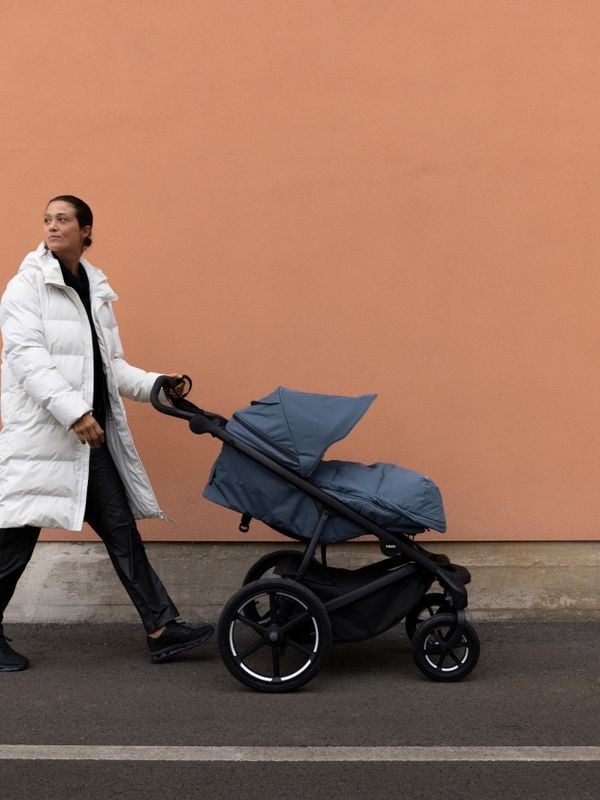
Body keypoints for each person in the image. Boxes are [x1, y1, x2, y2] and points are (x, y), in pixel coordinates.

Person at [0, 195, 213, 671]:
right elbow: (27, 360)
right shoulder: (26, 287)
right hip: (44, 441)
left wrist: (158, 383)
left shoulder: (95, 288)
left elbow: (110, 367)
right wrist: (76, 412)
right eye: (47, 220)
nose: (52, 227)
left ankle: (161, 628)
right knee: (13, 545)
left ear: (86, 230)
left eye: (63, 220)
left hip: (87, 444)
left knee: (121, 532)